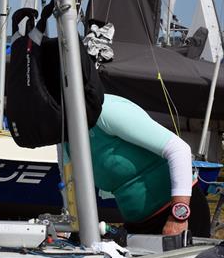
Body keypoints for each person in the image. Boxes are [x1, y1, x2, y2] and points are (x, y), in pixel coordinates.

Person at [78, 94, 211, 237]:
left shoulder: (106, 109)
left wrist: (178, 217)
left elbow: (179, 149)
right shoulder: (65, 133)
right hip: (137, 222)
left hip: (176, 215)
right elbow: (71, 184)